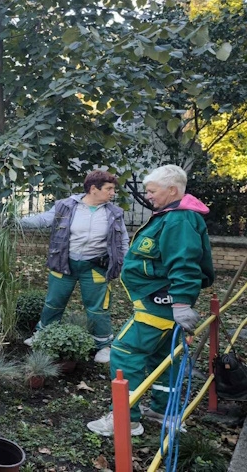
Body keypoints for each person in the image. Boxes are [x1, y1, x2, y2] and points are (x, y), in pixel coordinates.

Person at [87, 165, 214, 436]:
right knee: (162, 356)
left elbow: (184, 264)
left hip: (159, 303)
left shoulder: (179, 220)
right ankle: (162, 410)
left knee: (124, 352)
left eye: (152, 191)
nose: (148, 196)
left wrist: (181, 303)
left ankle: (125, 419)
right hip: (161, 300)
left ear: (172, 190)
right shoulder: (172, 216)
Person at [21, 170, 129, 364]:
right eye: (109, 189)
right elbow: (44, 219)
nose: (113, 193)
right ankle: (42, 334)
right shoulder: (66, 206)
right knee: (54, 301)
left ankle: (103, 346)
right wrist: (17, 221)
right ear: (94, 189)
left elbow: (122, 241)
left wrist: (126, 263)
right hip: (64, 263)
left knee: (98, 308)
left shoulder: (114, 212)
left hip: (96, 266)